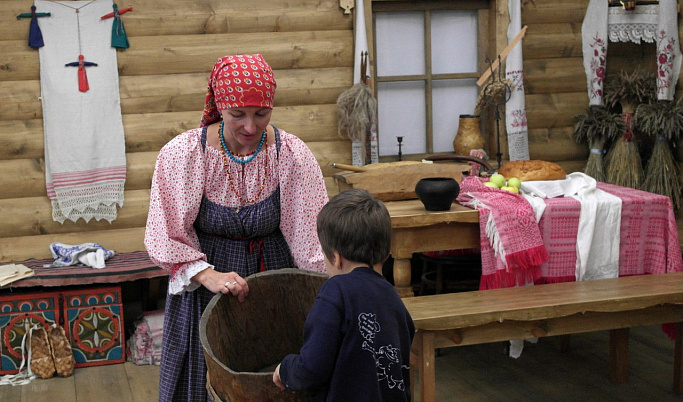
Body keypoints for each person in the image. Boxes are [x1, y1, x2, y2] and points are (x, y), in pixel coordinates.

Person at [144, 53, 329, 402]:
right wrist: (207, 275)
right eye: (236, 115)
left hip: (275, 288)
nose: (249, 126)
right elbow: (164, 232)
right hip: (205, 290)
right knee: (205, 383)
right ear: (219, 106)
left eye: (261, 114)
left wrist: (327, 297)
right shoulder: (184, 154)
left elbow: (311, 240)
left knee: (274, 381)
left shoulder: (291, 154)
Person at [273, 189, 415, 401]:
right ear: (386, 253)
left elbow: (312, 366)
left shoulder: (336, 291)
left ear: (337, 258)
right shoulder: (393, 297)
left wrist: (286, 370)